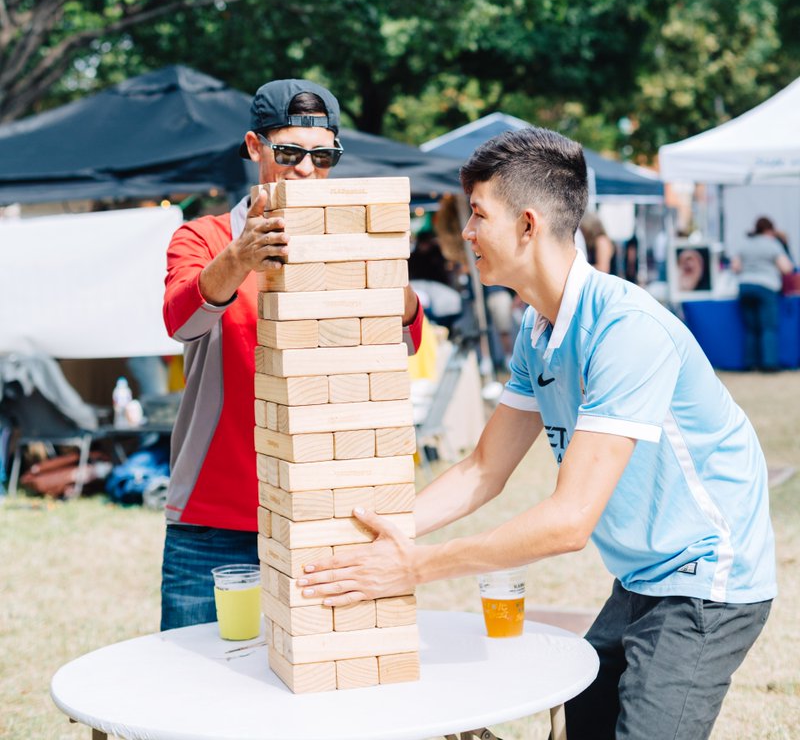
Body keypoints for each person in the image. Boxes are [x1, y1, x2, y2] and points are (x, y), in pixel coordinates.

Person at [298, 127, 775, 740]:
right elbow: (483, 469)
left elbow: (568, 522)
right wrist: (390, 530)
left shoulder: (627, 331)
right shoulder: (537, 329)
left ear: (527, 225)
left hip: (707, 577)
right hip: (642, 574)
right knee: (577, 724)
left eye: (477, 214)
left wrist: (415, 567)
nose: (466, 232)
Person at [160, 78, 424, 630]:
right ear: (254, 147)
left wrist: (380, 264)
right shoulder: (204, 236)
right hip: (218, 515)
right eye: (289, 153)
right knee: (197, 675)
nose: (306, 170)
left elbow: (404, 340)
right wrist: (239, 259)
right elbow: (181, 320)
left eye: (323, 157)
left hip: (321, 508)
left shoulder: (347, 242)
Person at [732, 216, 794, 372]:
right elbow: (787, 268)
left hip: (745, 286)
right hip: (766, 286)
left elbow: (735, 267)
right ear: (770, 230)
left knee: (751, 328)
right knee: (768, 327)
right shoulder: (773, 245)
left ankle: (750, 363)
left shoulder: (745, 244)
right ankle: (769, 364)